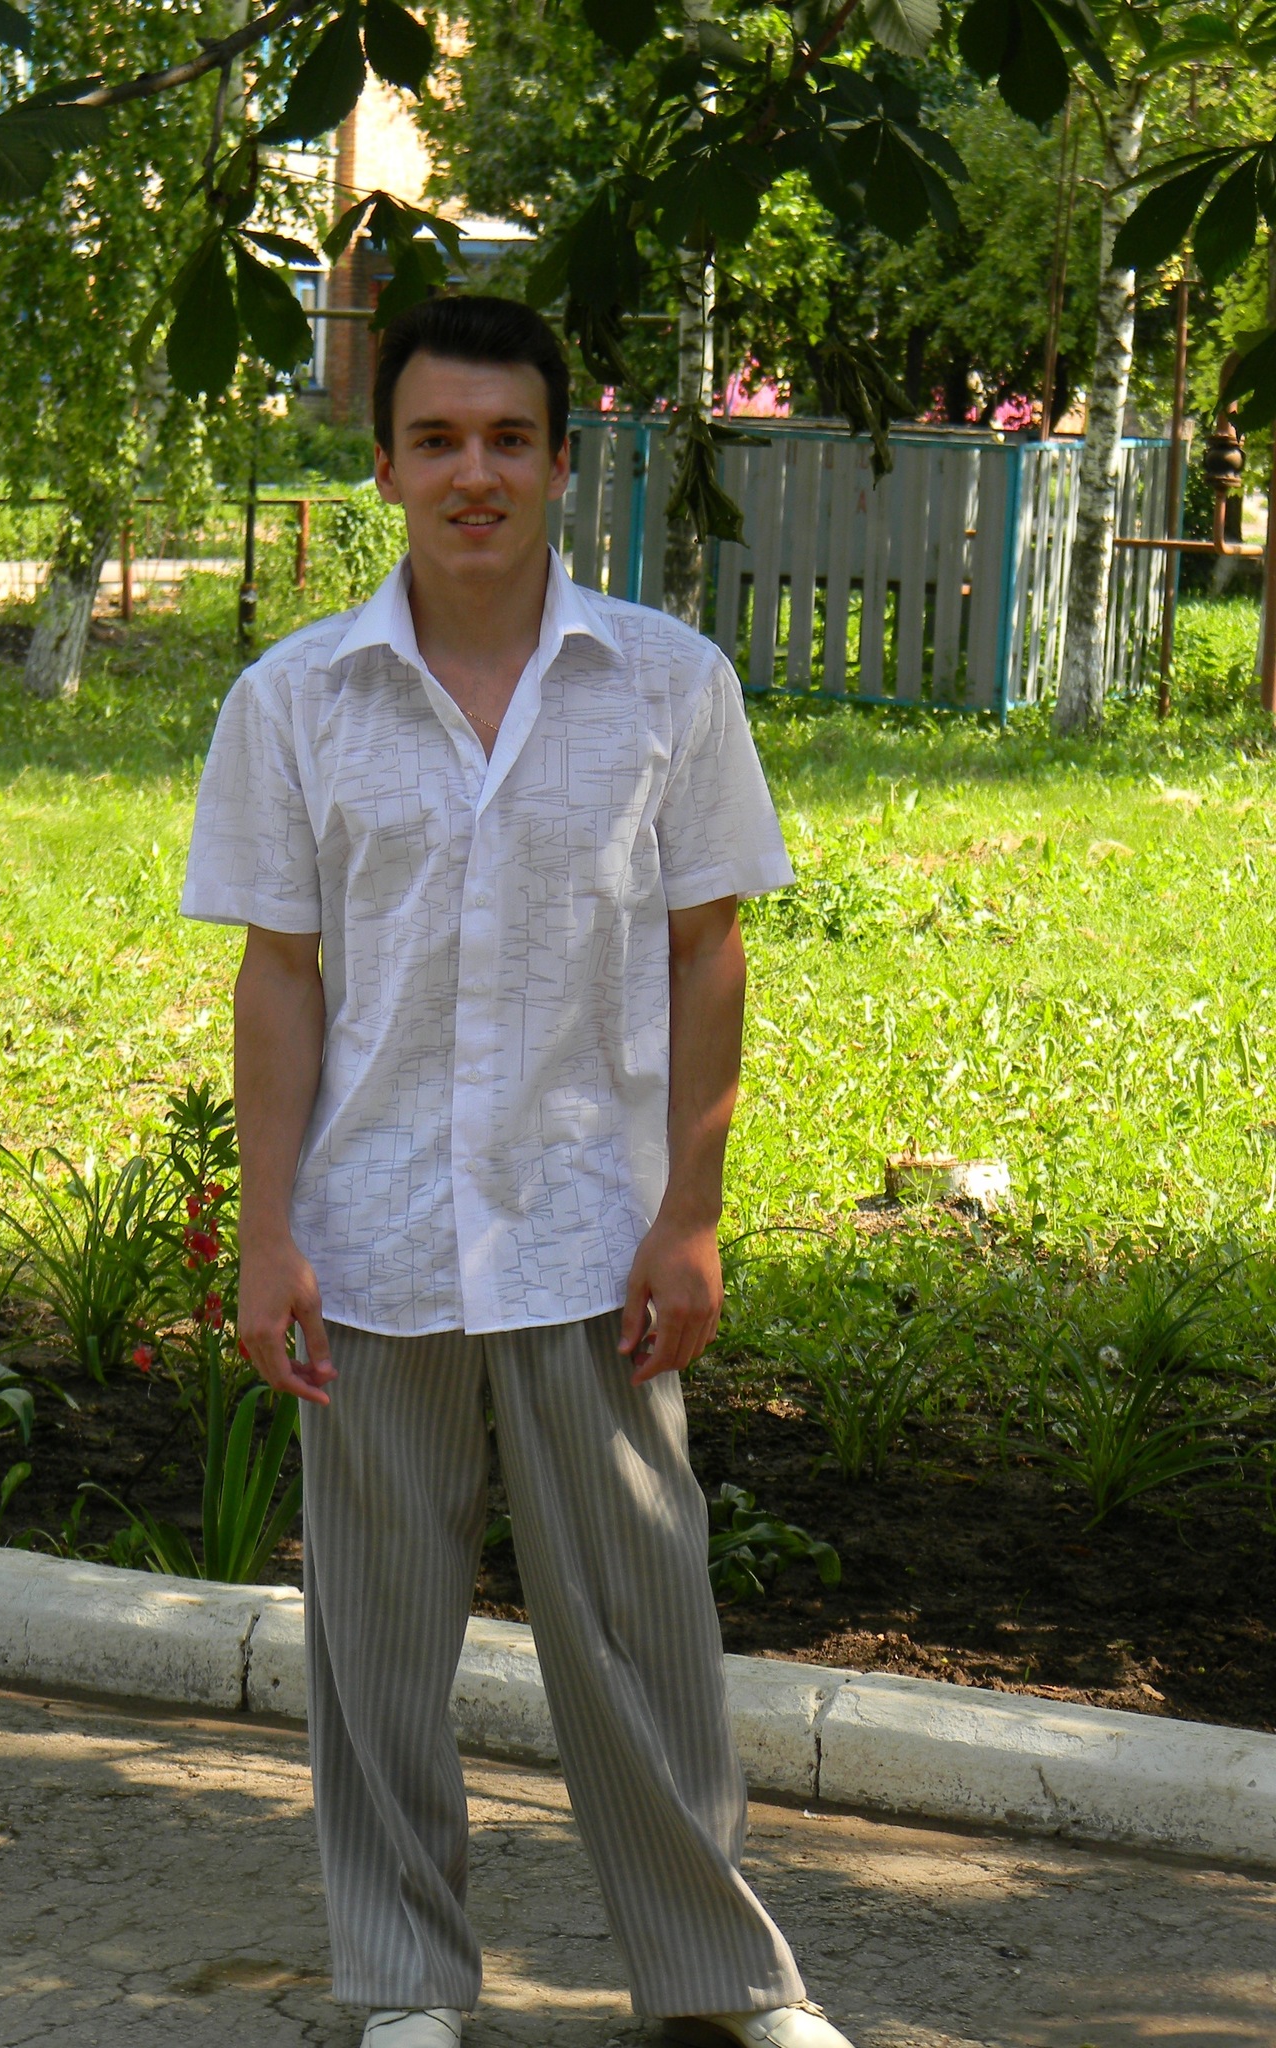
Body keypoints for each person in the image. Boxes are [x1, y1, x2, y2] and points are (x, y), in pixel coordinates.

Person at [181, 294, 855, 2048]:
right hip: (374, 1233)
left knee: (643, 1625)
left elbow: (708, 954)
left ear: (562, 462)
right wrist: (268, 1231)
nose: (471, 473)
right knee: (377, 1644)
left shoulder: (667, 686)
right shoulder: (295, 700)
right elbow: (279, 977)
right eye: (435, 441)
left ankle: (720, 1981)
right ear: (385, 468)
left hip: (587, 1230)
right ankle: (405, 1981)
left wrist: (691, 1213)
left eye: (505, 440)